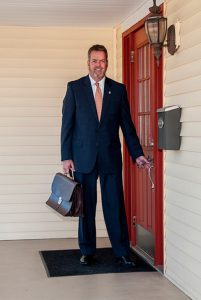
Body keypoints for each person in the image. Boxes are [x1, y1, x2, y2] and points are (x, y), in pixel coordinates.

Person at [61, 44, 150, 266]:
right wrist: (66, 156)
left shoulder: (118, 90)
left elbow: (127, 126)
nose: (98, 65)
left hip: (110, 157)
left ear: (107, 63)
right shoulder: (74, 88)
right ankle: (87, 251)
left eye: (102, 61)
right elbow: (67, 125)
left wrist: (137, 153)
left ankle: (121, 251)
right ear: (88, 62)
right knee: (86, 207)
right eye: (94, 60)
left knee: (114, 205)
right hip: (83, 157)